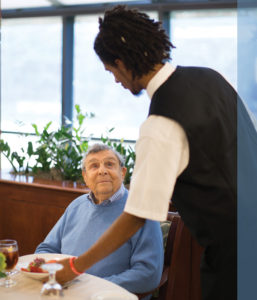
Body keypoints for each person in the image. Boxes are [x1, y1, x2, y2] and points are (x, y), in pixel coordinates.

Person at [55, 5, 257, 300]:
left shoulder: (161, 122)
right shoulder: (215, 78)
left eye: (111, 70)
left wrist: (75, 266)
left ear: (122, 62)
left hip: (235, 260)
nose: (115, 80)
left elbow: (137, 215)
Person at [35, 143, 164, 298]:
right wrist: (51, 275)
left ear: (123, 172)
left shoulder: (140, 211)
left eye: (109, 164)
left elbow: (148, 275)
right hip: (66, 293)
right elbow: (46, 250)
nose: (102, 171)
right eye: (94, 166)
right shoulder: (76, 205)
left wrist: (93, 288)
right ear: (85, 176)